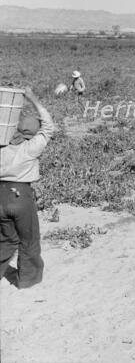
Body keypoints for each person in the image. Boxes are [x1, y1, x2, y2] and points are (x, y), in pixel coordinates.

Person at [0, 87, 53, 289]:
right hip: (20, 196)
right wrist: (33, 99)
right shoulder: (31, 147)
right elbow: (48, 127)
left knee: (6, 239)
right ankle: (28, 279)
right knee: (28, 239)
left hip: (0, 195)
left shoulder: (2, 145)